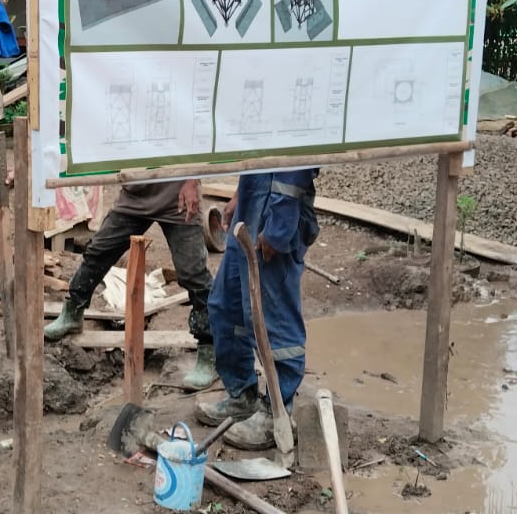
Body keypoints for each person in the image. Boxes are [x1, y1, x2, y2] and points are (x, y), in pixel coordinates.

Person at [44, 180, 219, 390]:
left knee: (194, 274)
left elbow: (199, 147)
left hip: (179, 195)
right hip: (136, 192)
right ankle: (73, 311)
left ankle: (209, 351)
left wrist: (192, 181)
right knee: (98, 252)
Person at [194, 168, 321, 450]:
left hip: (276, 215)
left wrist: (278, 229)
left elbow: (296, 165)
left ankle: (278, 410)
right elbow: (258, 148)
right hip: (252, 207)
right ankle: (242, 395)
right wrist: (241, 194)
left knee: (274, 319)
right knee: (226, 307)